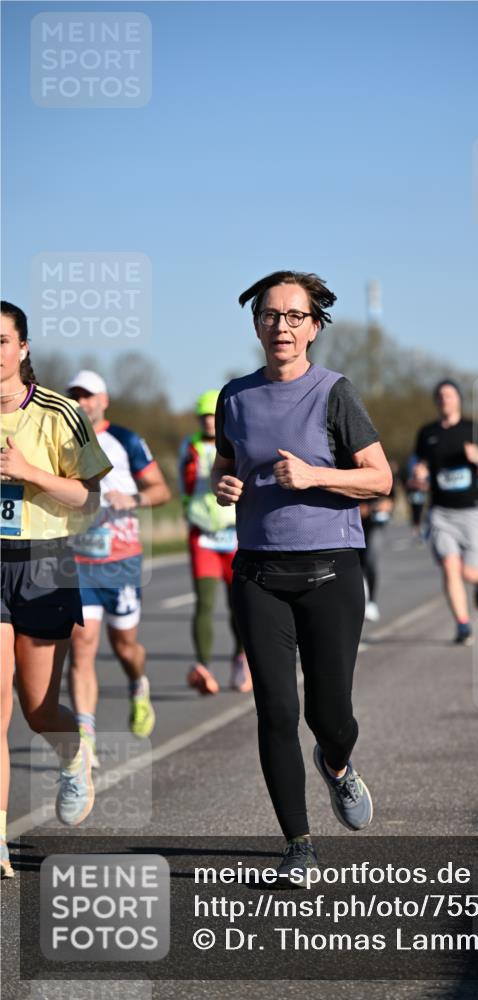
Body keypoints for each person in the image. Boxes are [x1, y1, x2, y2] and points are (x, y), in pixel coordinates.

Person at [212, 270, 392, 883]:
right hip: (259, 572)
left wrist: (316, 476)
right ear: (257, 322)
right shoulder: (233, 397)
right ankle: (299, 844)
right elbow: (227, 465)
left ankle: (338, 765)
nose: (280, 325)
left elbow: (380, 478)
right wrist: (223, 486)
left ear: (314, 327)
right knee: (274, 710)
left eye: (294, 316)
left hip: (330, 572)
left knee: (330, 715)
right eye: (270, 314)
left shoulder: (335, 393)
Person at [1, 303, 112, 877]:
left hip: (42, 562)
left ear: (22, 348)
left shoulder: (58, 412)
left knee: (37, 709)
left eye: (1, 341)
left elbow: (87, 499)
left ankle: (75, 755)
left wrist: (30, 473)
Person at [67, 371, 171, 765]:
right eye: (74, 395)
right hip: (78, 562)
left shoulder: (126, 440)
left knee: (125, 647)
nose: (81, 402)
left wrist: (132, 498)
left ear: (103, 399)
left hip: (122, 564)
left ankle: (137, 683)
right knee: (82, 646)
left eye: (88, 395)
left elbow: (161, 490)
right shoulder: (61, 441)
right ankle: (85, 736)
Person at [179, 390, 250, 694]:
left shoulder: (237, 443)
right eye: (204, 417)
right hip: (203, 535)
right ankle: (204, 667)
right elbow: (185, 485)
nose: (209, 422)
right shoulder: (189, 447)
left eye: (213, 416)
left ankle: (240, 659)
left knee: (239, 605)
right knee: (205, 603)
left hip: (235, 534)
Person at [413, 379, 478, 647]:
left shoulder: (472, 429)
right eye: (440, 396)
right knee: (450, 568)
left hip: (471, 512)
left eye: (449, 395)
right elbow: (418, 463)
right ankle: (463, 625)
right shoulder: (427, 433)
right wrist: (419, 472)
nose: (444, 399)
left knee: (468, 572)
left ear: (458, 399)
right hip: (441, 513)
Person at [358, 469, 395, 622]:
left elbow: (390, 496)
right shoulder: (345, 463)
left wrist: (386, 505)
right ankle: (362, 600)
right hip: (356, 524)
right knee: (358, 565)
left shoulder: (378, 465)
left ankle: (372, 602)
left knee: (371, 561)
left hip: (375, 524)